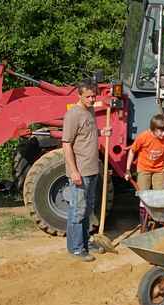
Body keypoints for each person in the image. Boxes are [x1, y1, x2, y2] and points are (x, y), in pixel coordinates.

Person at [62, 81, 110, 262]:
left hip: (92, 169)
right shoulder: (73, 115)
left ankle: (85, 241)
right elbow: (66, 144)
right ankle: (75, 248)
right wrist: (73, 171)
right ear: (79, 96)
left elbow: (87, 133)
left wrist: (101, 131)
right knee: (78, 209)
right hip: (80, 171)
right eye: (88, 96)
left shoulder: (89, 111)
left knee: (87, 209)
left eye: (93, 96)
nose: (91, 99)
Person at [124, 114, 164, 191]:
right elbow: (132, 151)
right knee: (143, 195)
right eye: (161, 131)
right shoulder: (143, 137)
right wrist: (128, 170)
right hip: (144, 169)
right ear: (153, 129)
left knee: (159, 194)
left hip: (159, 170)